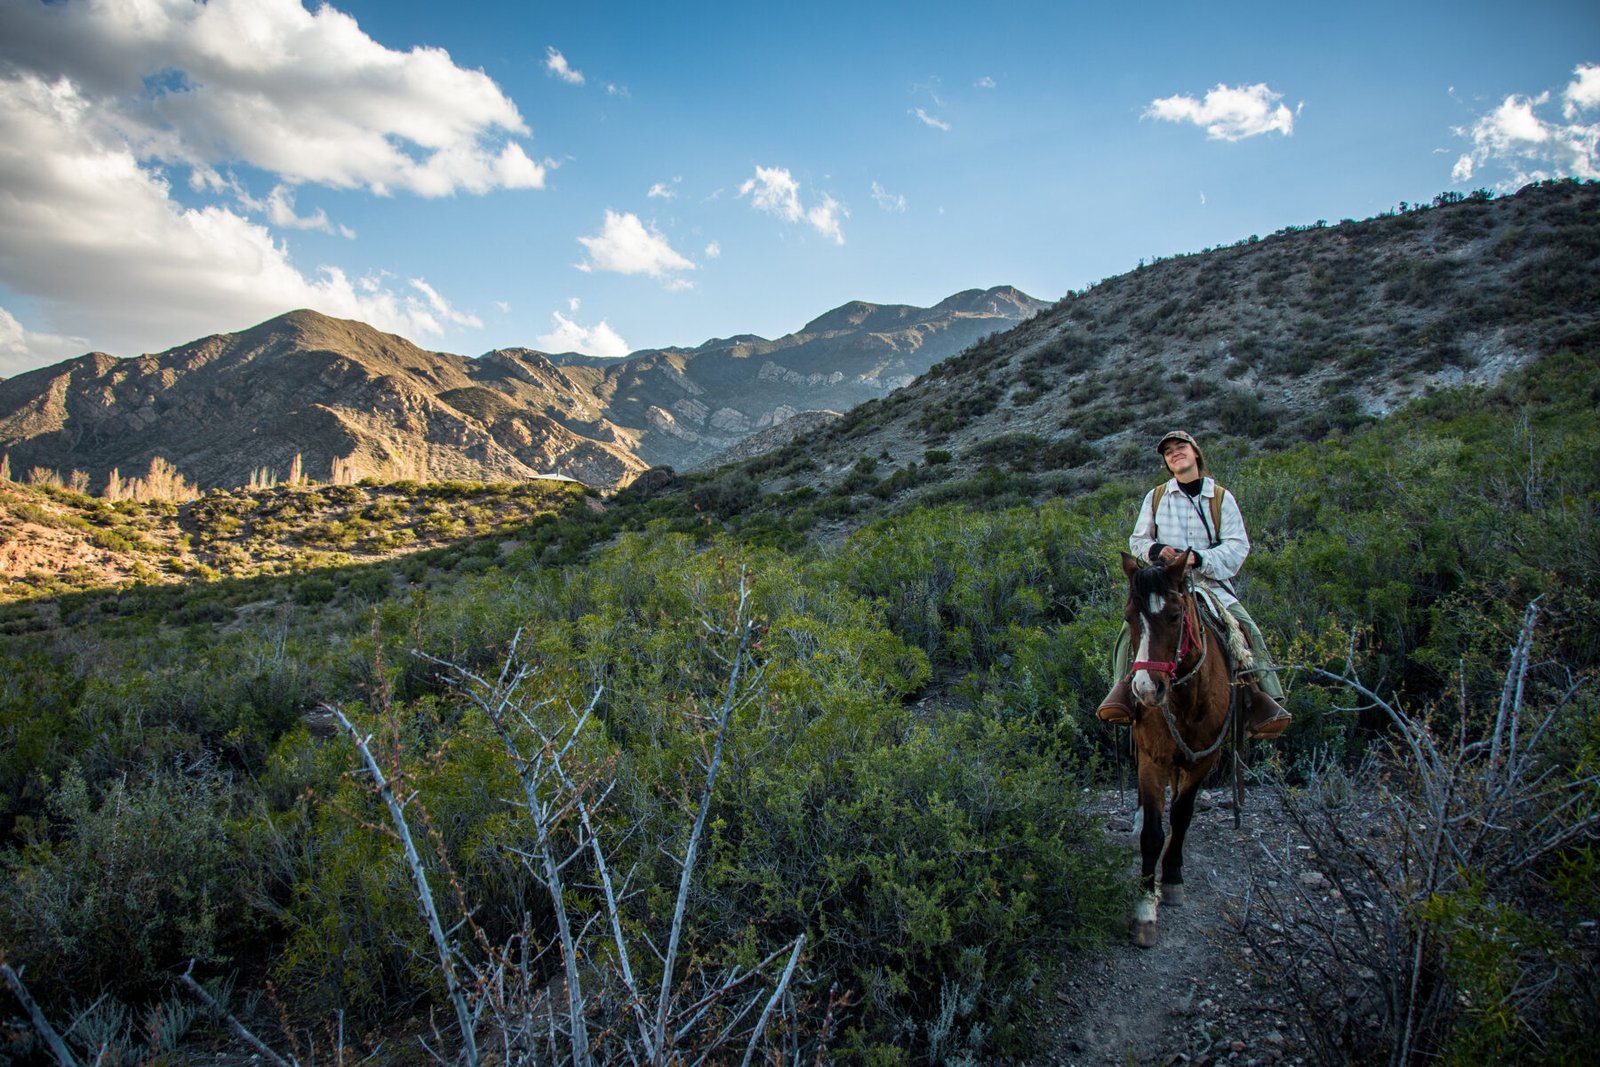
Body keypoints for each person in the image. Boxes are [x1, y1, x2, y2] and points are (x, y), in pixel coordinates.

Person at [1095, 430, 1291, 740]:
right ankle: (1122, 690)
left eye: (1180, 447)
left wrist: (1198, 559)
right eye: (1168, 451)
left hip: (1210, 584)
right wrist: (1158, 551)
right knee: (1129, 627)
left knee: (1245, 629)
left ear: (1195, 453)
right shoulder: (1156, 497)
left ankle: (1262, 699)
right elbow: (1138, 539)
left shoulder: (1221, 498)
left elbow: (1238, 546)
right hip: (1165, 583)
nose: (1175, 453)